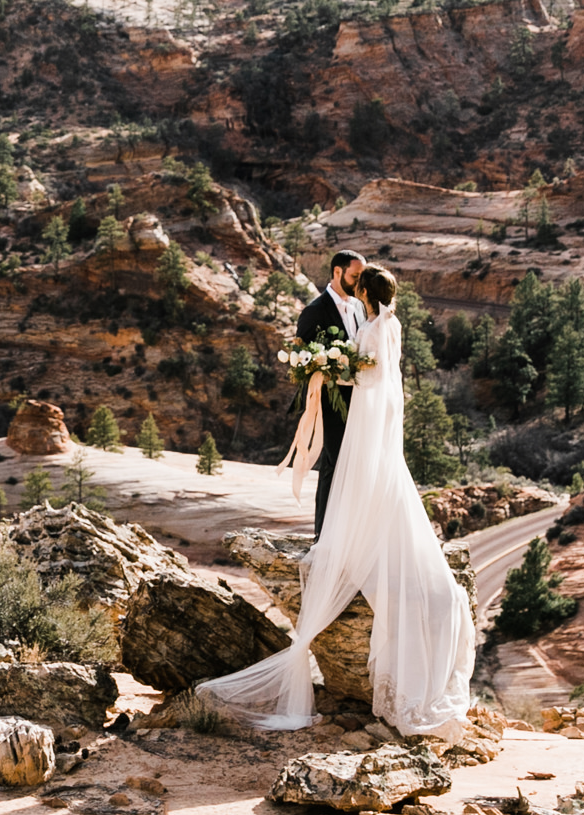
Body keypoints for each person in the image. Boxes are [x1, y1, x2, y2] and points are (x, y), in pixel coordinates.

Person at [197, 260, 476, 738]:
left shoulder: (369, 327)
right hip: (381, 415)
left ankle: (345, 537)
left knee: (352, 477)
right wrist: (321, 367)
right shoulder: (391, 325)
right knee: (377, 479)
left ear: (365, 291)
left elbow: (363, 377)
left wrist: (325, 369)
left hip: (365, 415)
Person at [294, 251, 373, 535]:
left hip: (359, 401)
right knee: (333, 464)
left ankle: (350, 534)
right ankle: (323, 535)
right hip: (330, 401)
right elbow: (300, 359)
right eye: (355, 276)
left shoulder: (360, 308)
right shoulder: (315, 310)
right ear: (337, 272)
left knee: (357, 467)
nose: (359, 282)